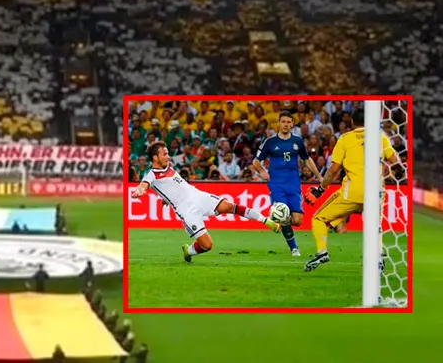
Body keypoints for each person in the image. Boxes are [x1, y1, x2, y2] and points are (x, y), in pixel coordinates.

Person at [131, 142, 280, 263]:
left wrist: (166, 198)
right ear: (155, 157)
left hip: (198, 196)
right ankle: (188, 251)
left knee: (228, 206)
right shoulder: (151, 175)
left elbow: (171, 186)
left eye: (168, 153)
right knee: (207, 245)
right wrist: (140, 190)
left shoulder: (169, 167)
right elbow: (144, 184)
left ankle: (267, 222)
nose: (168, 157)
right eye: (165, 154)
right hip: (187, 211)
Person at [305, 106, 400, 272]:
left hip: (352, 193)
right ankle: (377, 256)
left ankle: (322, 252)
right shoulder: (380, 137)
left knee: (318, 219)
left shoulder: (345, 139)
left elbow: (334, 169)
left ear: (351, 121)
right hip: (376, 191)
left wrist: (321, 188)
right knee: (374, 226)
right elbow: (395, 162)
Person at [250, 111, 323, 256]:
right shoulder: (270, 142)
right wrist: (262, 171)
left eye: (289, 122)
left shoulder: (297, 141)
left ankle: (280, 222)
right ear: (279, 123)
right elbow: (256, 162)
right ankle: (294, 248)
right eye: (283, 121)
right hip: (276, 184)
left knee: (297, 220)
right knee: (283, 215)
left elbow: (307, 160)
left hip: (294, 184)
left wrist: (319, 177)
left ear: (292, 124)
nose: (286, 124)